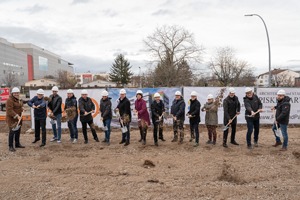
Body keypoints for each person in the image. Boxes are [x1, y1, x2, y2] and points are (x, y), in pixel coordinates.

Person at [6, 87, 25, 152]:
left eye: (17, 93)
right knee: (12, 132)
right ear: (12, 93)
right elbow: (9, 110)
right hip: (12, 120)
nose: (16, 94)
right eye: (15, 93)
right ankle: (10, 146)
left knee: (18, 131)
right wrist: (16, 116)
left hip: (18, 119)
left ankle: (17, 144)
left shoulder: (18, 100)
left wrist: (22, 109)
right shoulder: (9, 100)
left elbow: (18, 107)